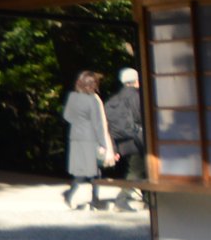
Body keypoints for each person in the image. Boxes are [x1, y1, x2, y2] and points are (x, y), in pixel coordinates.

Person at [61, 68, 116, 209]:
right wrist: (105, 144)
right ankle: (94, 200)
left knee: (81, 169)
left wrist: (78, 123)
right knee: (93, 170)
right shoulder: (93, 100)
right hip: (89, 137)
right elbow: (99, 124)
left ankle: (71, 193)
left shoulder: (73, 97)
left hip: (75, 136)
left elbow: (67, 116)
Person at [105, 66, 147, 208]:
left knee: (142, 169)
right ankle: (121, 201)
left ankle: (149, 201)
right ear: (136, 80)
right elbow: (143, 118)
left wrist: (114, 147)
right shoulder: (138, 96)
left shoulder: (113, 100)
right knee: (135, 171)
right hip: (138, 139)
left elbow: (109, 124)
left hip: (122, 142)